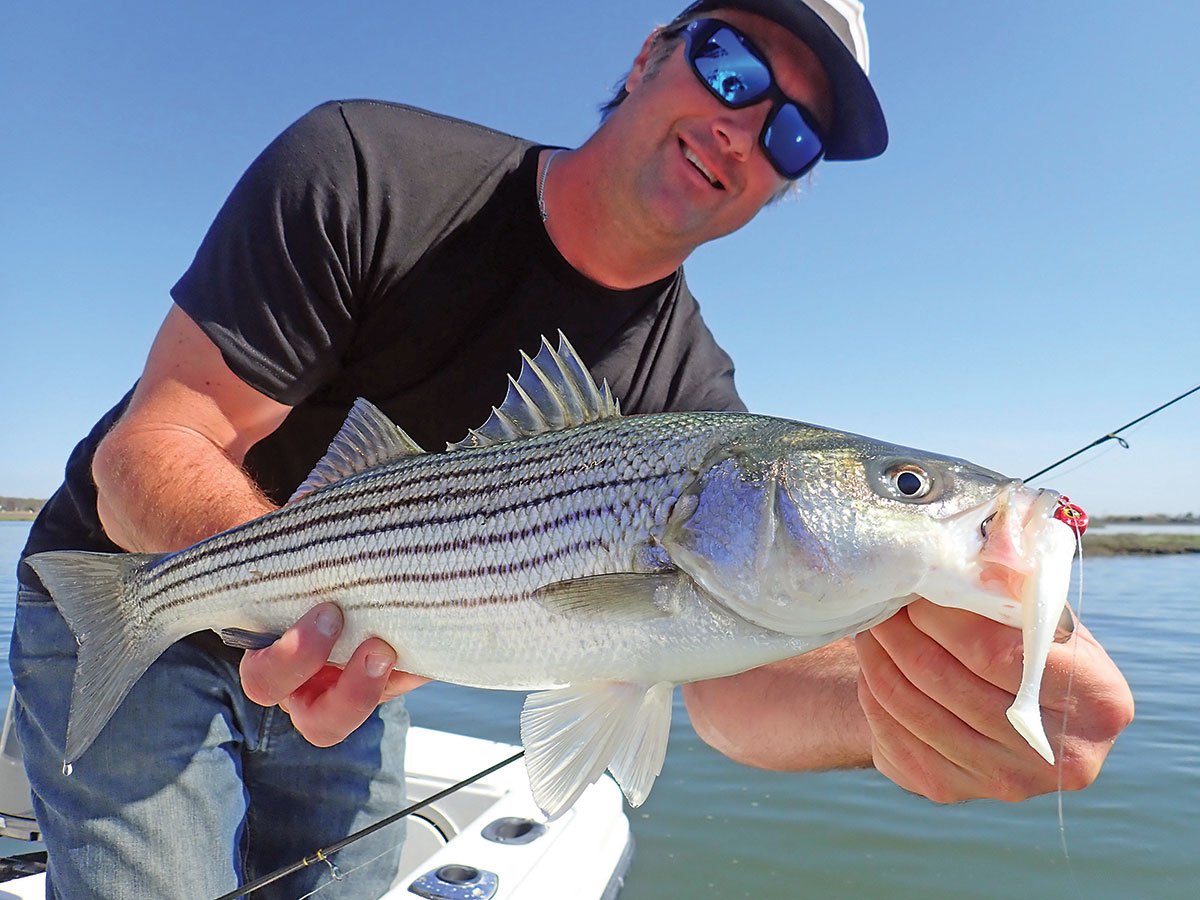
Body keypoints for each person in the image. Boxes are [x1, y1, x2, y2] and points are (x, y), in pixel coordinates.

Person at [12, 0, 1134, 896]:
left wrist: (899, 716)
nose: (746, 127)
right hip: (132, 589)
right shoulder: (368, 166)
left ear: (787, 185)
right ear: (653, 51)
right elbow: (149, 445)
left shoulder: (693, 394)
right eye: (733, 67)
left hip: (371, 661)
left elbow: (726, 687)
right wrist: (290, 591)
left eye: (793, 134)